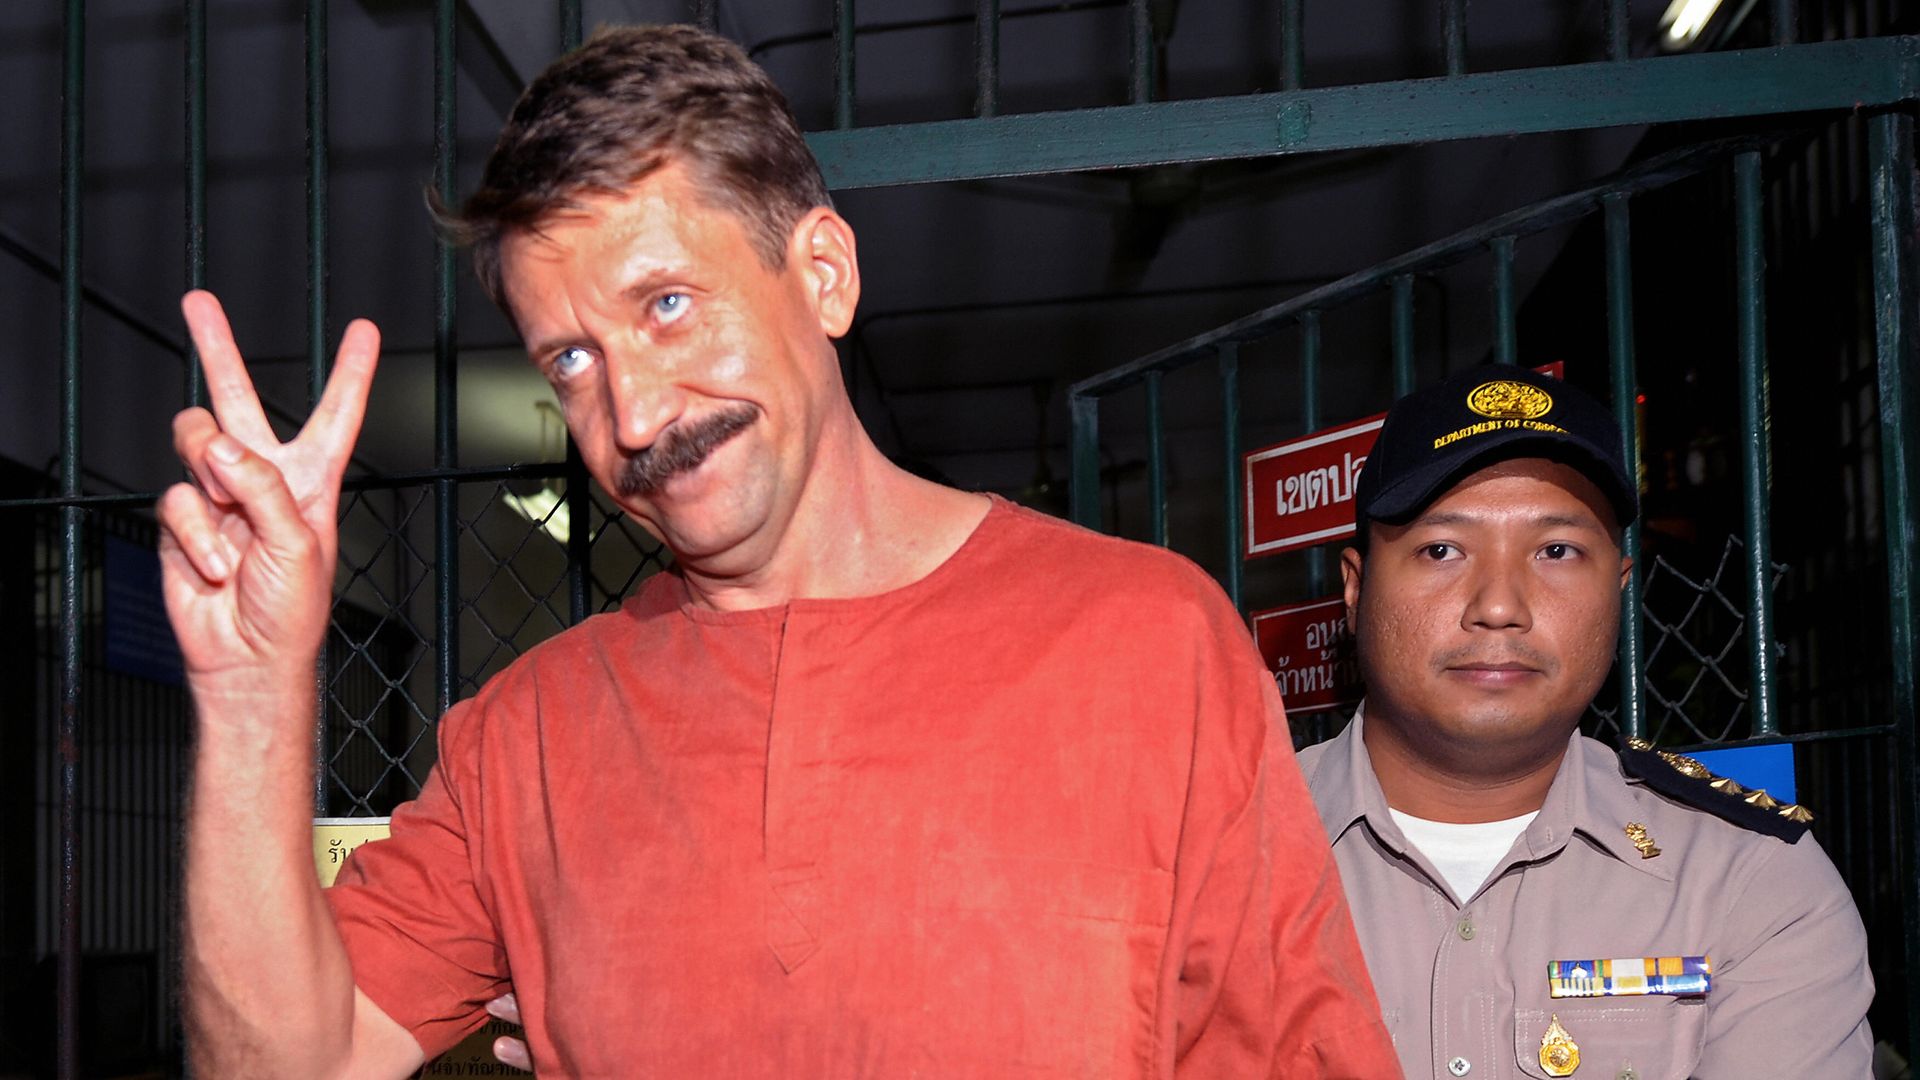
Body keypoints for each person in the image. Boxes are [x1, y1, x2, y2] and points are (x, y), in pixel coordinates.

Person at [159, 24, 1397, 1078]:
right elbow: (288, 1059)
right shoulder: (523, 738)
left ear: (822, 273)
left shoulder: (1151, 643)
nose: (633, 417)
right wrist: (253, 687)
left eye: (667, 305)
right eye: (572, 361)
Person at [1295, 365, 1874, 1080]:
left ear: (1618, 591)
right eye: (1442, 549)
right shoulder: (1215, 854)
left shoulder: (1751, 883)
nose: (1500, 604)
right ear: (1355, 591)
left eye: (1556, 551)